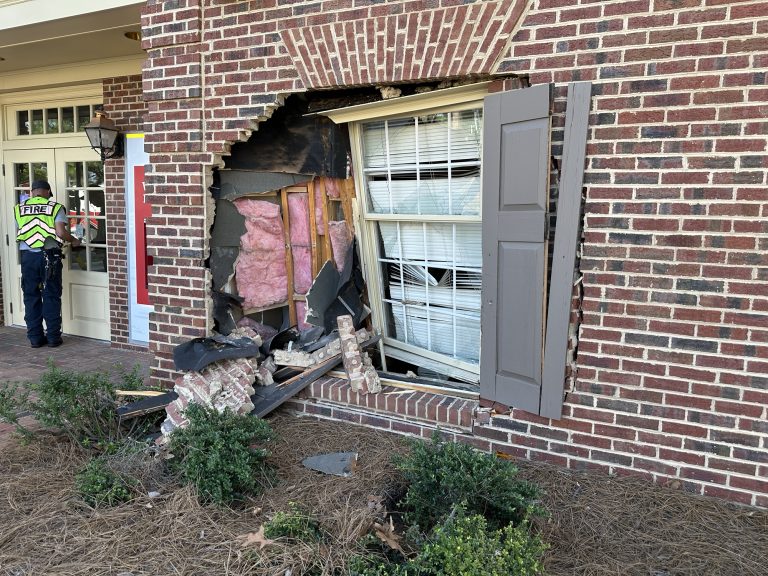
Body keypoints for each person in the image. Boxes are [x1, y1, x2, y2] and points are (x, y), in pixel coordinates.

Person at [14, 180, 81, 348]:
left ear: (32, 192)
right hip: (49, 256)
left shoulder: (19, 208)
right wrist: (73, 240)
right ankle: (53, 337)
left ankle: (35, 338)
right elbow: (60, 232)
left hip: (27, 257)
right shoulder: (55, 207)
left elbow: (20, 231)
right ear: (48, 192)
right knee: (51, 294)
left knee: (31, 296)